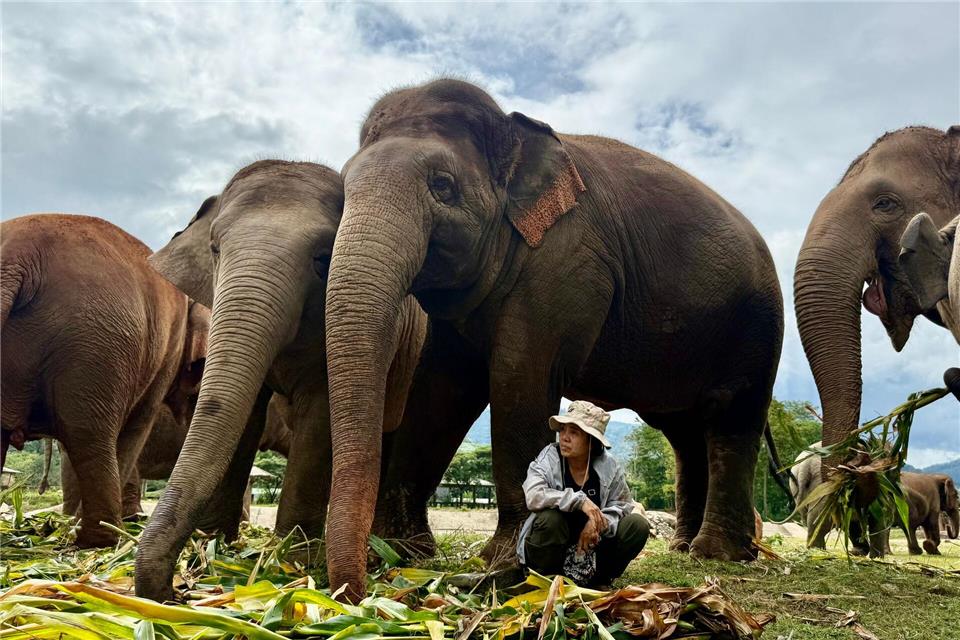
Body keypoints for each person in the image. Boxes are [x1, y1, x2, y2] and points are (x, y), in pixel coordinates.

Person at [516, 400, 650, 587]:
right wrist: (579, 501)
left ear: (591, 441)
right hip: (553, 547)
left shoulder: (609, 466)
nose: (564, 437)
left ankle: (600, 580)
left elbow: (622, 505)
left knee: (638, 525)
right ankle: (545, 581)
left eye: (574, 432)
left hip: (591, 550)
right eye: (562, 430)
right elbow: (533, 494)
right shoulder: (549, 456)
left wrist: (598, 523)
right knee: (550, 519)